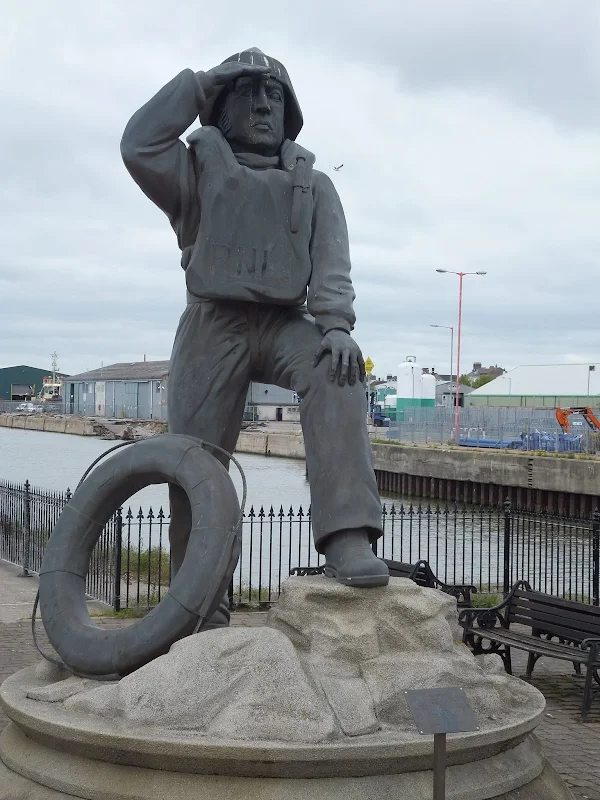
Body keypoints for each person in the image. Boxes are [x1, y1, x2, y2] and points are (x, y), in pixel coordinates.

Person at [121, 47, 389, 627]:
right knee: (195, 457)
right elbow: (138, 144)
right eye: (246, 95)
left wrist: (338, 326)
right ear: (220, 110)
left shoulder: (313, 186)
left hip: (284, 322)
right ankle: (202, 594)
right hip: (211, 322)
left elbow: (332, 263)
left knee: (335, 368)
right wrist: (200, 83)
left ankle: (347, 535)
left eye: (274, 95)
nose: (263, 105)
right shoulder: (192, 173)